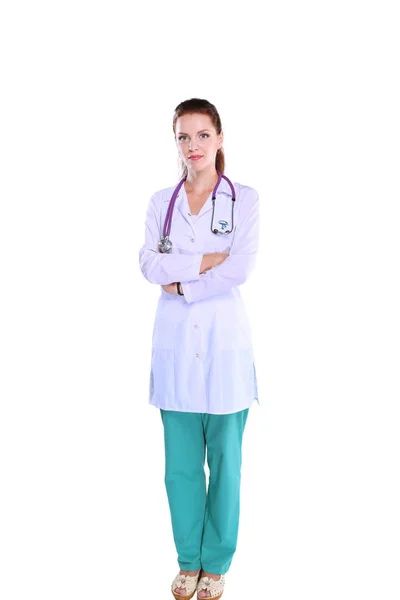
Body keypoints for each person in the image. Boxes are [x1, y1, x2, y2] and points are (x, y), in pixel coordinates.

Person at [139, 98, 260, 600]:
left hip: (224, 350)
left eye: (202, 135)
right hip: (174, 354)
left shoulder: (244, 199)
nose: (192, 146)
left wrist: (183, 278)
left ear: (220, 138)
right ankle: (189, 561)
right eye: (184, 137)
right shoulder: (159, 203)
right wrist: (205, 259)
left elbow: (240, 267)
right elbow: (148, 265)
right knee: (181, 469)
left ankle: (217, 563)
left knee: (226, 466)